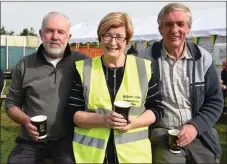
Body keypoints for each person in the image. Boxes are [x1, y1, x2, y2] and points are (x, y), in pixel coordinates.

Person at [66, 12, 164, 163]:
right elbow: (72, 113)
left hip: (133, 156)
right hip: (92, 156)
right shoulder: (84, 69)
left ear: (127, 41)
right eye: (107, 36)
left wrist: (134, 123)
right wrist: (103, 119)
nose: (113, 42)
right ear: (100, 38)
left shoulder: (143, 68)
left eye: (119, 37)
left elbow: (156, 109)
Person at [139, 3, 223, 164]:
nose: (174, 30)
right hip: (162, 133)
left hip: (198, 132)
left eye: (180, 24)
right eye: (168, 24)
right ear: (160, 28)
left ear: (189, 28)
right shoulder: (144, 60)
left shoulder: (202, 58)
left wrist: (195, 127)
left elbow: (215, 100)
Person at [5, 12, 88, 164]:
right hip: (31, 141)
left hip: (68, 139)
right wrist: (25, 121)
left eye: (60, 32)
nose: (55, 36)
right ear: (41, 34)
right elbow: (11, 103)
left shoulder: (83, 63)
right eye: (49, 31)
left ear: (68, 37)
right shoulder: (24, 65)